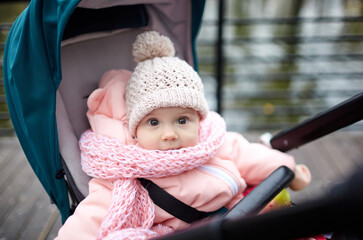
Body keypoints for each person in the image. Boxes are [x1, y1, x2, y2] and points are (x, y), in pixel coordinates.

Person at [56, 31, 311, 240]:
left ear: (199, 120)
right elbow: (90, 218)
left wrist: (289, 169)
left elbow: (250, 156)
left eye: (181, 120)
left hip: (242, 213)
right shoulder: (124, 177)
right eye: (153, 122)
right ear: (135, 130)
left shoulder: (213, 142)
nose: (169, 134)